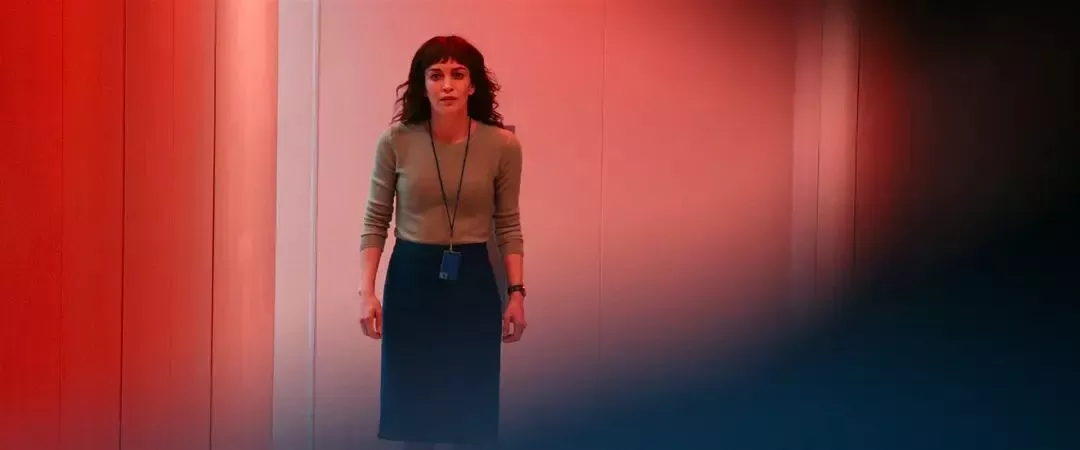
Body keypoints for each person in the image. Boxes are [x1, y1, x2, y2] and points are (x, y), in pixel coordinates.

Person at [357, 35, 528, 450]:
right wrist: (367, 292)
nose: (447, 85)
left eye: (457, 74)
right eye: (436, 75)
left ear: (473, 84)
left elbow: (508, 223)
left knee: (470, 418)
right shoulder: (395, 141)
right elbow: (376, 220)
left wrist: (517, 293)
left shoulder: (502, 145)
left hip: (472, 282)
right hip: (411, 278)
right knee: (416, 419)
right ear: (423, 84)